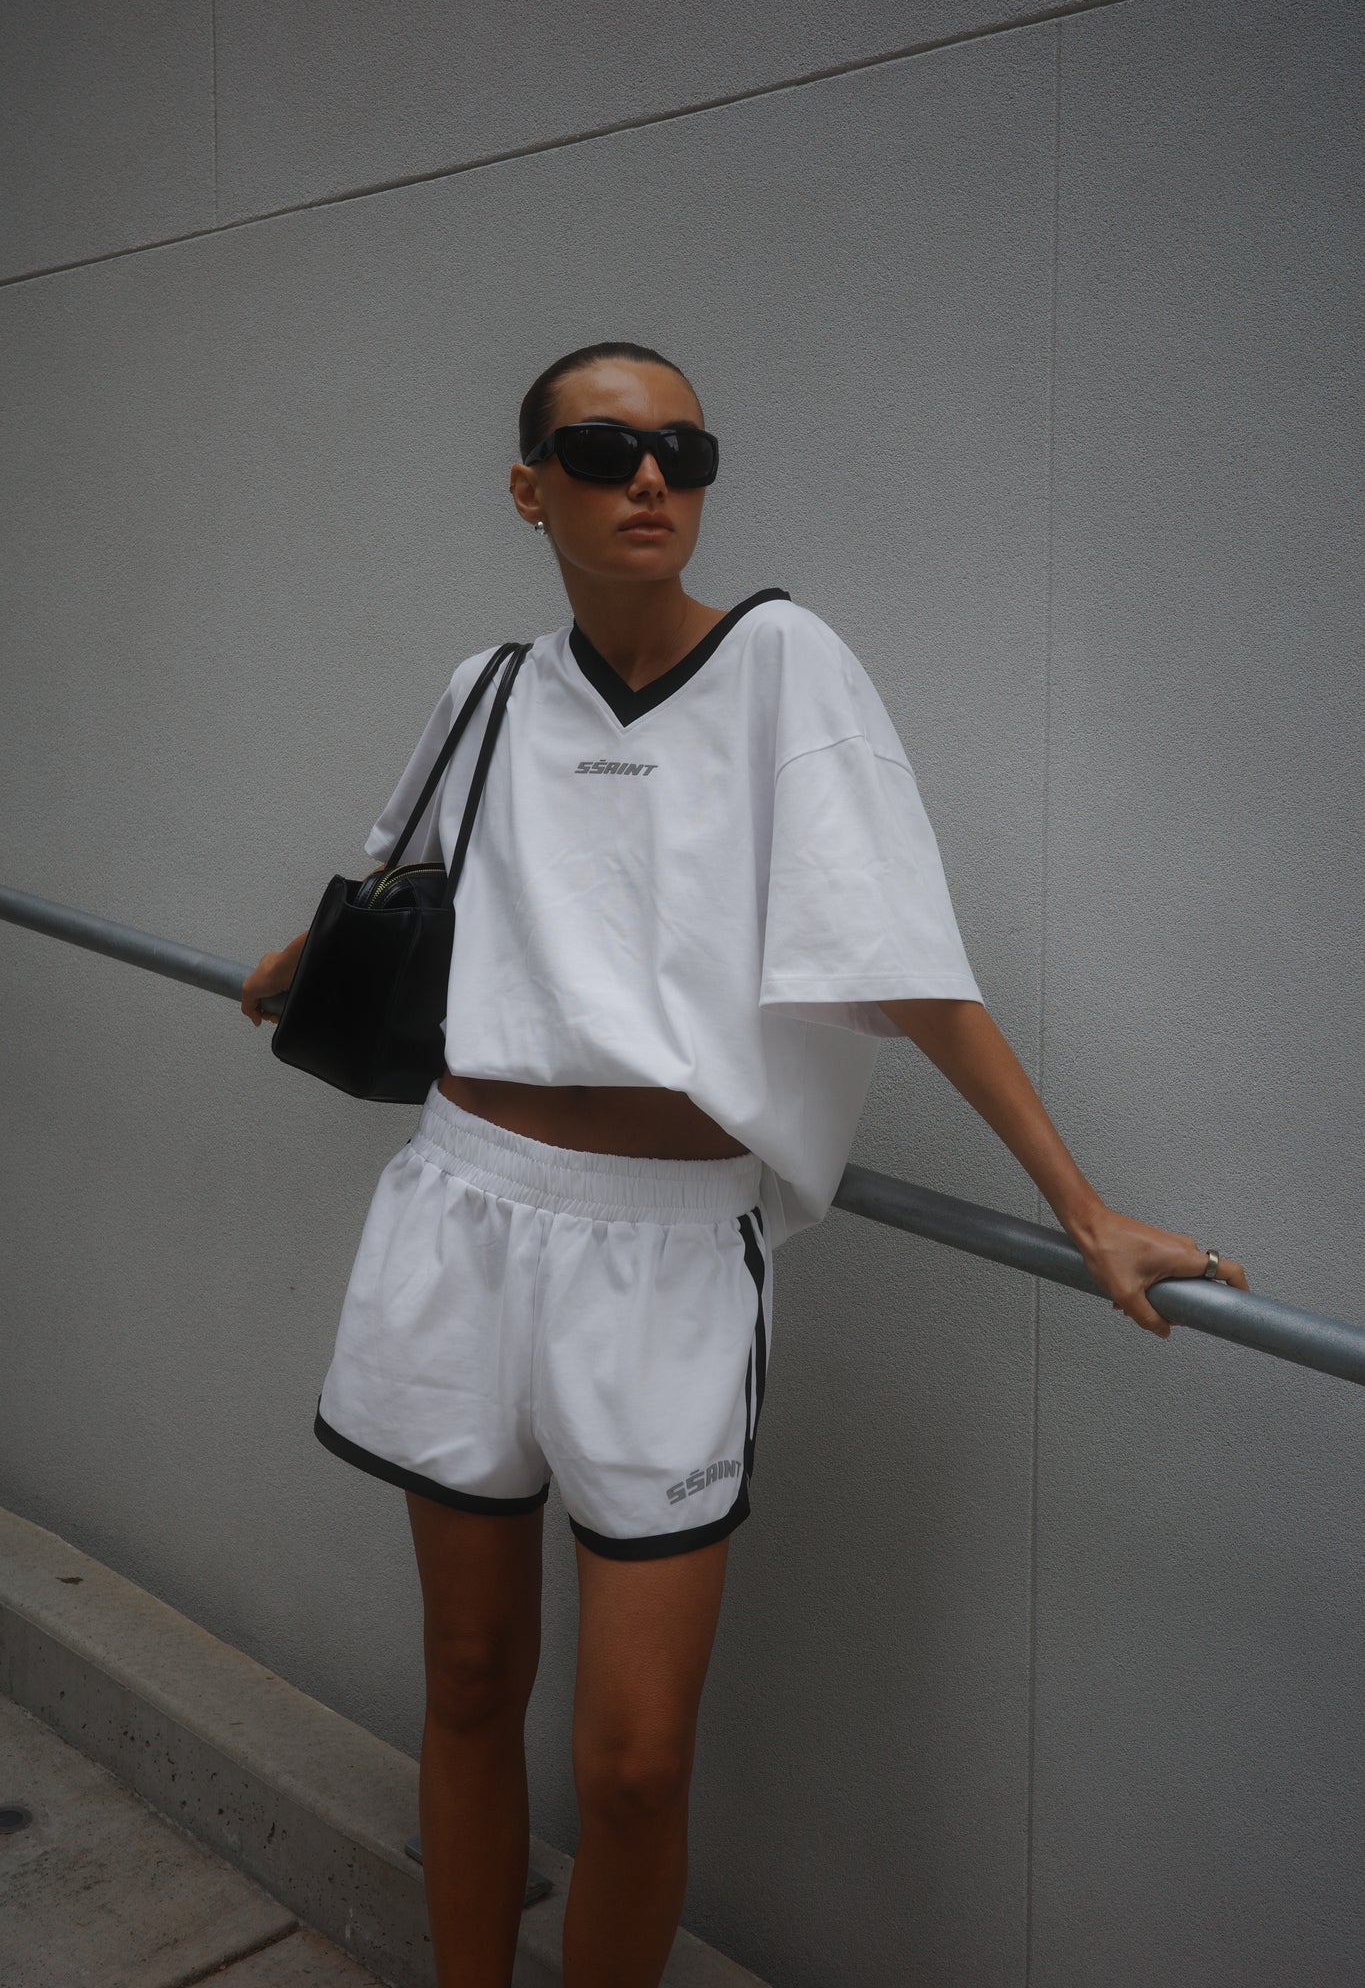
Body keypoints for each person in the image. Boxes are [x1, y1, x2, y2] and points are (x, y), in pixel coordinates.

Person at [241, 340, 1250, 1988]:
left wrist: (1083, 1212)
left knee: (636, 1762)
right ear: (528, 490)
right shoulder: (488, 688)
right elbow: (414, 871)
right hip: (464, 1209)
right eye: (602, 451)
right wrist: (291, 961)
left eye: (684, 452)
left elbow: (901, 959)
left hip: (665, 1251)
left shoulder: (786, 664)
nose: (650, 480)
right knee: (470, 1678)